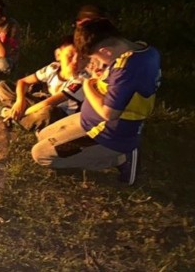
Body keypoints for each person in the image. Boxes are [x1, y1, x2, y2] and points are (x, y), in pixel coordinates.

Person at [31, 18, 160, 185]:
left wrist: (88, 83)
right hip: (88, 118)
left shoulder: (125, 71)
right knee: (43, 136)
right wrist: (99, 75)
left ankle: (120, 157)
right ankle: (111, 151)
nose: (94, 62)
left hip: (104, 132)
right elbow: (117, 85)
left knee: (40, 155)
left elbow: (109, 113)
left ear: (106, 51)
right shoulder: (142, 49)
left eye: (95, 57)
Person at [0, 35, 85, 131]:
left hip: (59, 114)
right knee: (3, 86)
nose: (75, 61)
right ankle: (18, 115)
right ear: (58, 55)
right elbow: (23, 81)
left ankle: (13, 116)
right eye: (70, 56)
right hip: (40, 102)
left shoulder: (80, 81)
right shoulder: (53, 68)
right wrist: (19, 101)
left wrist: (20, 111)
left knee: (47, 113)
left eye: (81, 58)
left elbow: (48, 103)